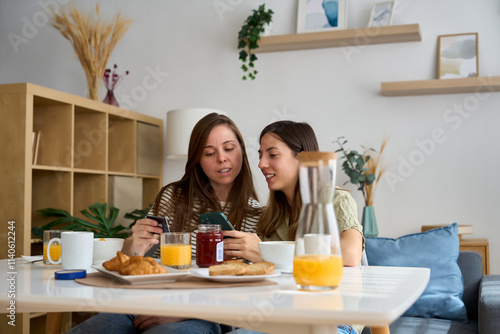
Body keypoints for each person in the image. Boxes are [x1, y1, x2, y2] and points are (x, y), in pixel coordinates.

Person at [67, 113, 262, 334]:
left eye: (229, 149)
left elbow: (246, 293)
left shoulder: (256, 213)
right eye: (209, 153)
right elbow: (134, 263)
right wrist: (133, 247)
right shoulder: (173, 196)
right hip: (145, 300)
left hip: (206, 314)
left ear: (242, 152)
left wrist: (180, 311)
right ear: (197, 159)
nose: (221, 159)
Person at [223, 120, 364, 334]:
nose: (261, 164)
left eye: (272, 154)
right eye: (260, 155)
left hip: (333, 320)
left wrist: (266, 256)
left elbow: (351, 254)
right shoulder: (272, 215)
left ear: (302, 158)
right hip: (283, 317)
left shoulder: (335, 200)